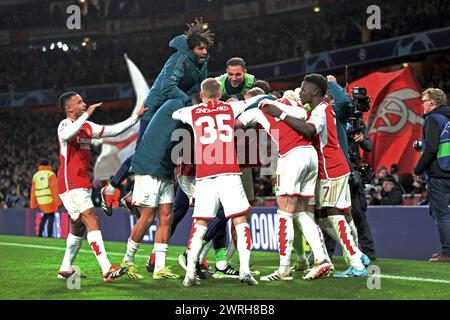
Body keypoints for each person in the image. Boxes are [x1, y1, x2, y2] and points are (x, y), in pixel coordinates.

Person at [101, 18, 214, 215]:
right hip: (154, 109)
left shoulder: (201, 64)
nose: (204, 52)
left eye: (205, 48)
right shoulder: (178, 59)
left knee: (165, 155)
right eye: (199, 48)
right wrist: (189, 102)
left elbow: (199, 86)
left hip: (174, 110)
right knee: (144, 153)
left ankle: (131, 197)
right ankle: (111, 189)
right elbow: (167, 87)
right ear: (190, 49)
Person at [261, 73, 368, 277]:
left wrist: (280, 113)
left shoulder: (320, 111)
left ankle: (356, 260)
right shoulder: (321, 109)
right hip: (330, 167)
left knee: (333, 216)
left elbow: (309, 130)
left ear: (316, 92)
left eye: (304, 89)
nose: (301, 92)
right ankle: (356, 255)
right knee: (325, 216)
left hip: (331, 168)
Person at [172, 78, 260, 287]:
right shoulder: (231, 107)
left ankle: (190, 273)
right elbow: (254, 100)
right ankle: (245, 270)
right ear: (220, 94)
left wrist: (198, 107)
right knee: (239, 219)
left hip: (204, 176)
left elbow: (175, 113)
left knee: (200, 223)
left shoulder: (191, 112)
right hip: (228, 172)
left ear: (202, 95)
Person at [238, 89, 333, 281]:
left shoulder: (258, 109)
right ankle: (322, 259)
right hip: (310, 156)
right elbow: (302, 115)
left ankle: (284, 269)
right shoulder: (294, 106)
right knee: (302, 212)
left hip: (291, 157)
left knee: (284, 214)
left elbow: (234, 124)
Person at [56, 91, 145, 282]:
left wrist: (135, 117)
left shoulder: (87, 127)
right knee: (90, 217)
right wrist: (87, 114)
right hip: (70, 182)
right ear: (69, 108)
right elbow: (67, 135)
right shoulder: (65, 124)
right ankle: (106, 268)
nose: (84, 104)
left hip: (82, 182)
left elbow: (114, 130)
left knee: (78, 226)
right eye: (79, 102)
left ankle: (65, 268)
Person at [414, 88, 450, 262]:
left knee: (441, 213)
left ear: (432, 103)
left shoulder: (432, 119)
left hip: (440, 172)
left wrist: (418, 169)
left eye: (424, 101)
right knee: (436, 211)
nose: (422, 105)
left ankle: (447, 252)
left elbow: (432, 148)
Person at [30, 159, 61, 237]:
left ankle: (40, 233)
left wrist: (33, 203)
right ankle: (49, 234)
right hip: (49, 199)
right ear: (48, 165)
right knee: (51, 216)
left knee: (45, 215)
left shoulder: (35, 176)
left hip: (40, 200)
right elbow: (54, 189)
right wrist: (58, 201)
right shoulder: (50, 174)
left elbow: (33, 190)